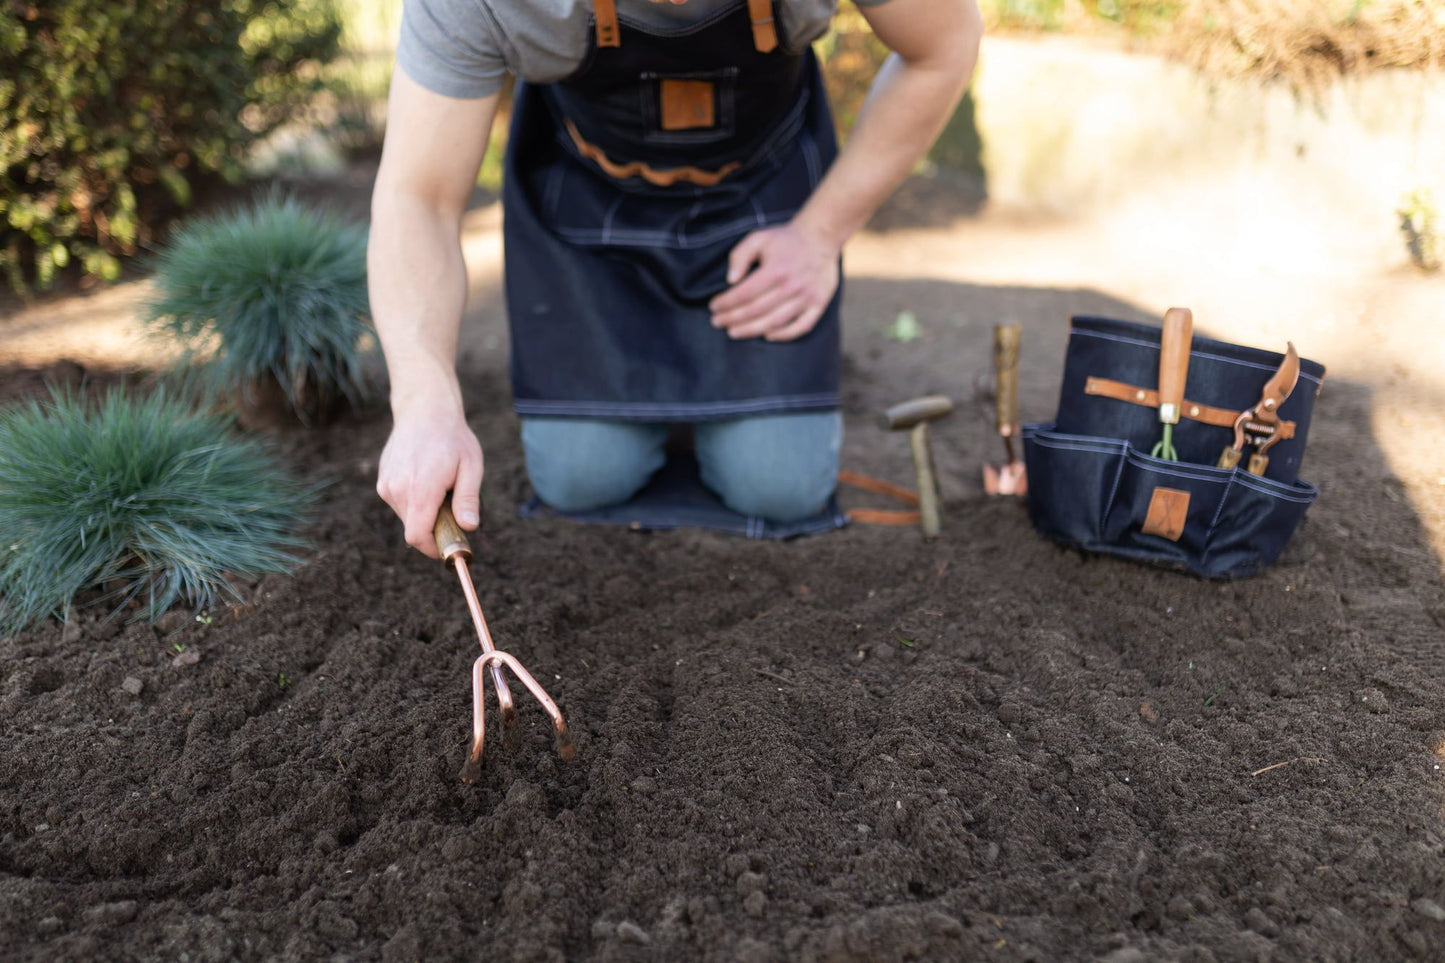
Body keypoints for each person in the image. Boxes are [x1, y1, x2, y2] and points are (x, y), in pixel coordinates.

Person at [371, 0, 983, 556]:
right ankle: (673, 411)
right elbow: (418, 198)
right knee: (582, 478)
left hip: (761, 203)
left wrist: (820, 233)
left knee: (779, 487)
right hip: (589, 211)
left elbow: (943, 46)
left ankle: (711, 413)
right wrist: (425, 403)